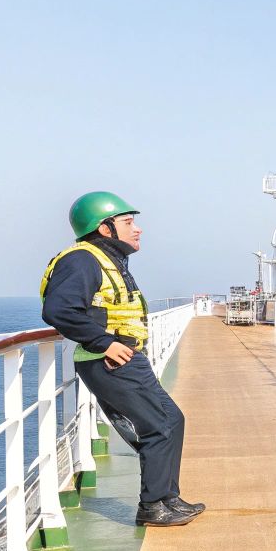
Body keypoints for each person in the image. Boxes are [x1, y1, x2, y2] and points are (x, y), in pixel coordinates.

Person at [40, 192, 205, 527]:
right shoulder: (82, 260)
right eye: (128, 222)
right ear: (104, 228)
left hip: (126, 359)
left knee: (172, 420)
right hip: (109, 361)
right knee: (158, 425)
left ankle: (167, 498)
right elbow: (57, 310)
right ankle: (151, 507)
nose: (138, 229)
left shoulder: (107, 260)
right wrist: (104, 343)